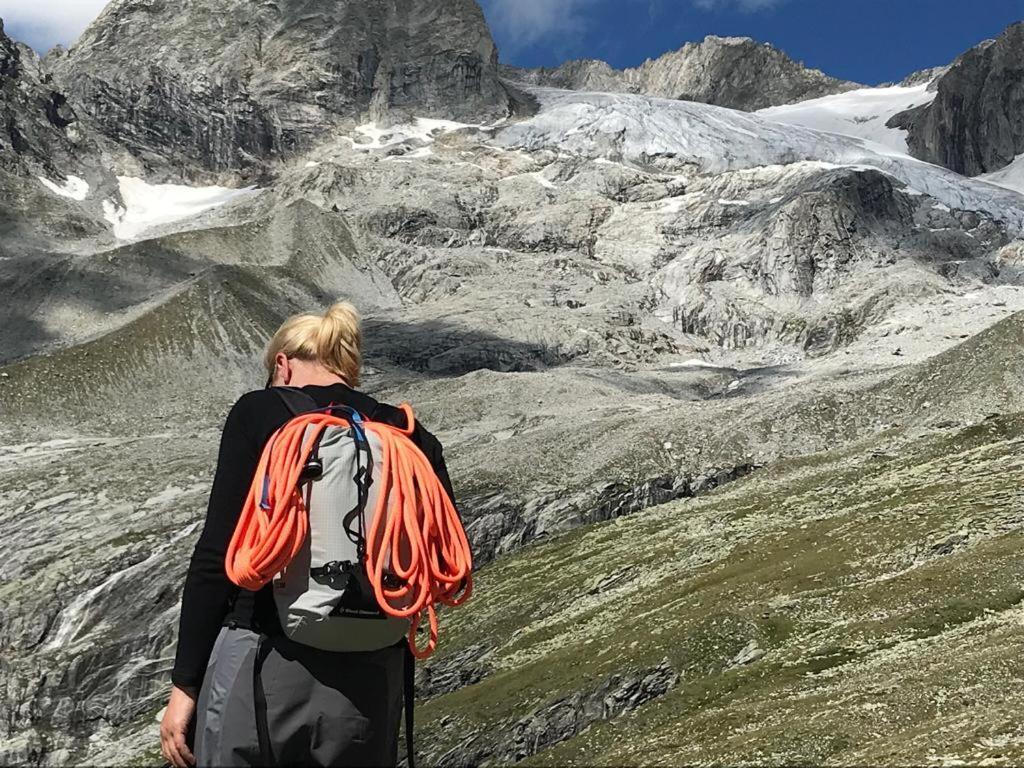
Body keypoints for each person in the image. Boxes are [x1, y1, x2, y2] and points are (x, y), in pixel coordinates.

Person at [160, 302, 457, 768]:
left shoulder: (261, 412)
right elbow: (444, 554)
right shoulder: (406, 434)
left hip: (264, 656)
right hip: (373, 669)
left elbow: (217, 554)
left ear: (283, 364)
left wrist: (185, 685)